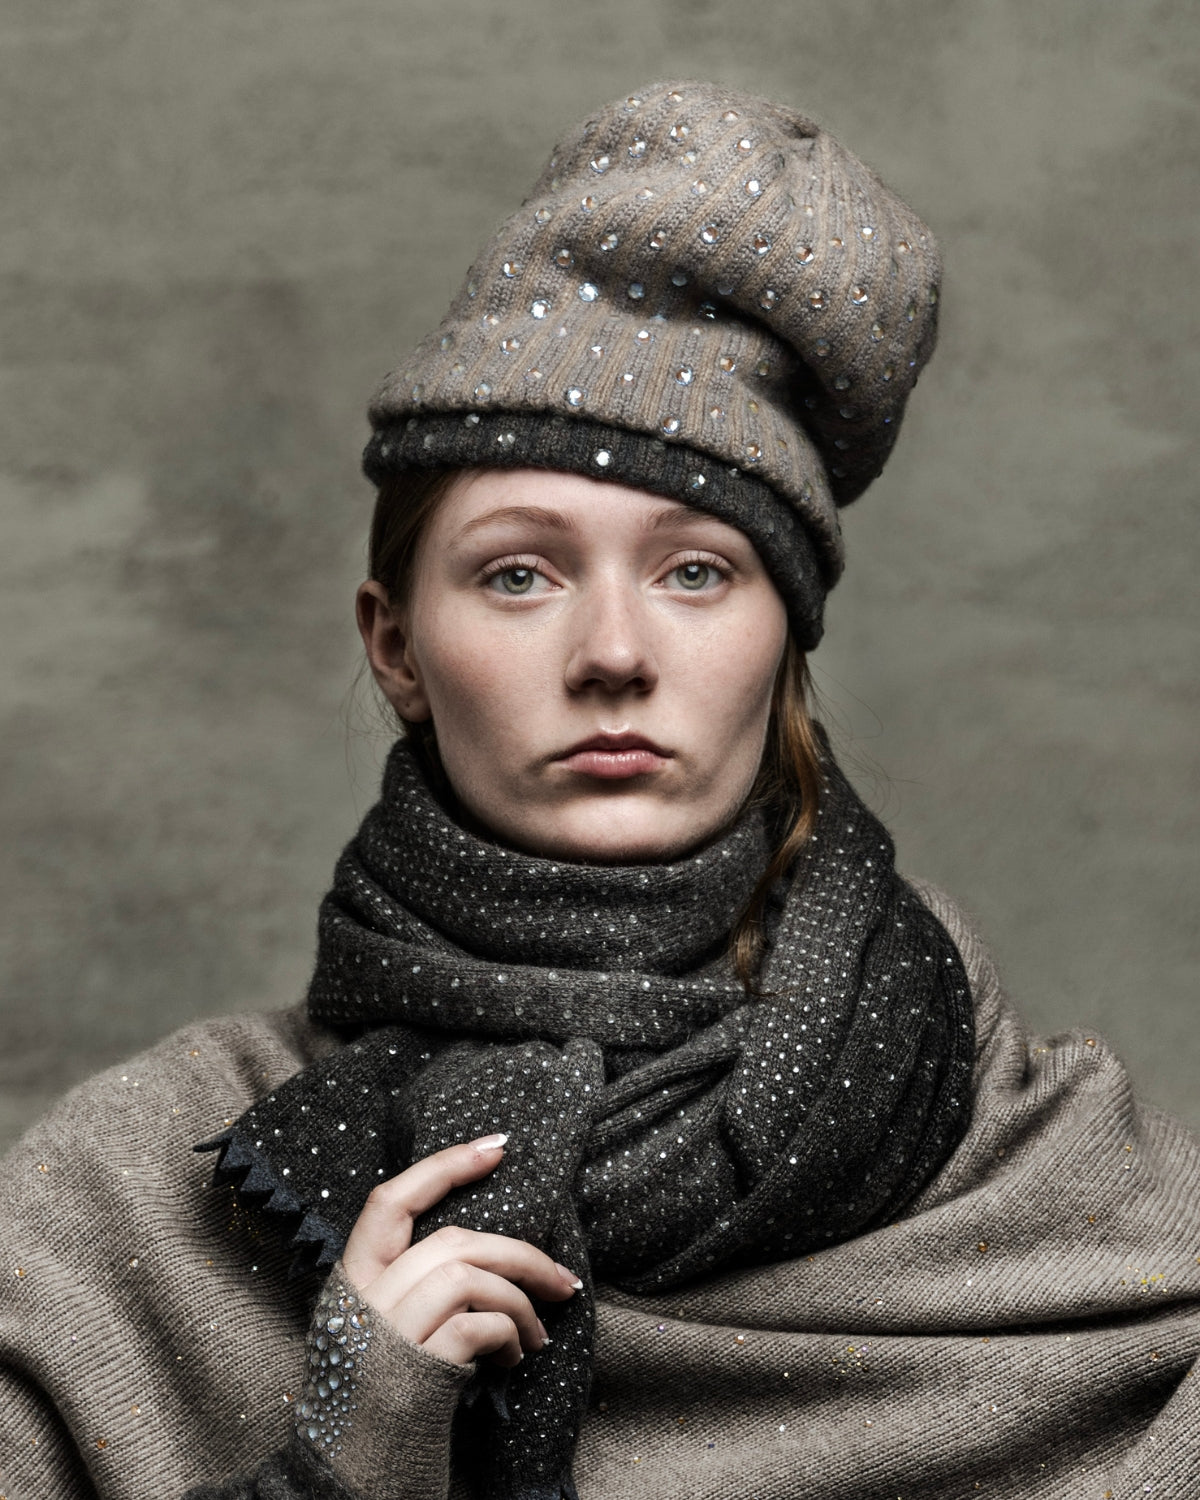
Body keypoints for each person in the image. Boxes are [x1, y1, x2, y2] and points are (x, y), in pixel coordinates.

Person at [1, 78, 1197, 1500]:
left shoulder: (1050, 1176)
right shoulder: (131, 1200)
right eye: (520, 573)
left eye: (699, 571)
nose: (615, 653)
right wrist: (344, 1445)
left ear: (786, 633)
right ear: (394, 645)